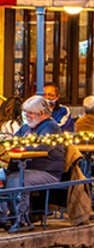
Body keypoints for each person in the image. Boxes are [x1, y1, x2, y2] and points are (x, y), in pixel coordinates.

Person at [7, 96, 67, 226]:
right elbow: (13, 140)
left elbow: (42, 147)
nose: (27, 116)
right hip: (26, 168)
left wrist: (20, 148)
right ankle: (7, 216)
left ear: (42, 113)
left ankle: (21, 220)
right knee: (5, 177)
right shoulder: (26, 127)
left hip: (48, 172)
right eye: (26, 112)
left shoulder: (51, 127)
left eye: (31, 113)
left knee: (18, 181)